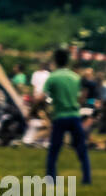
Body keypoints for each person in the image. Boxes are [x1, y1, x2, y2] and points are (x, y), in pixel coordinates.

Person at [37, 48, 91, 183]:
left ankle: (51, 179)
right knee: (81, 150)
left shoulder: (52, 77)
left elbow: (41, 98)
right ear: (68, 61)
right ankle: (87, 178)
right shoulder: (75, 77)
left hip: (59, 117)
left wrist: (37, 107)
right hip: (74, 116)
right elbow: (82, 97)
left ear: (55, 61)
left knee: (54, 150)